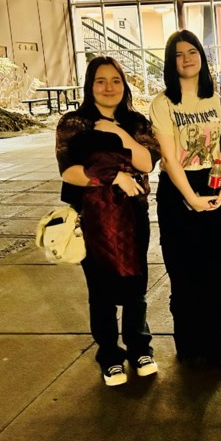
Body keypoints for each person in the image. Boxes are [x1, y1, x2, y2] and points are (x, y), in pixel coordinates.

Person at [55, 56, 161, 386]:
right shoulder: (73, 124)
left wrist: (118, 133)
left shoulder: (136, 122)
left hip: (132, 216)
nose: (109, 87)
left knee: (135, 286)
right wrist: (111, 177)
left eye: (115, 80)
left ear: (124, 84)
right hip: (90, 217)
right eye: (101, 81)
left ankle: (140, 348)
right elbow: (69, 172)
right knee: (99, 290)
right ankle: (109, 355)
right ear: (90, 86)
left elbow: (146, 164)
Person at [149, 30, 221, 365]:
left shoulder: (213, 97)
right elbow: (170, 160)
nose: (186, 59)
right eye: (178, 54)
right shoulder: (163, 103)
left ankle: (214, 338)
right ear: (170, 62)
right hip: (178, 189)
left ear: (202, 56)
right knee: (186, 273)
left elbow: (217, 148)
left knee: (218, 270)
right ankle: (189, 343)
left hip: (213, 182)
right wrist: (192, 199)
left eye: (192, 52)